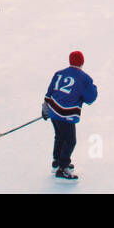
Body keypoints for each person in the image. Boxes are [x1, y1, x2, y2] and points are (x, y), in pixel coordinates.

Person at [42, 51, 97, 180]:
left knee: (60, 136)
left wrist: (45, 108)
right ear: (82, 62)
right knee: (71, 141)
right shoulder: (84, 78)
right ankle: (63, 167)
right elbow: (90, 98)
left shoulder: (59, 73)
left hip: (53, 111)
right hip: (66, 114)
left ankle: (57, 161)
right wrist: (91, 88)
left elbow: (50, 92)